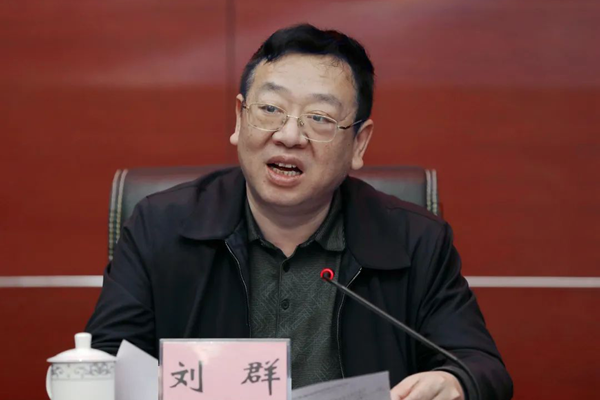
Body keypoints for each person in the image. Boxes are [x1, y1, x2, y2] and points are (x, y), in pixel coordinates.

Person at [86, 24, 513, 400]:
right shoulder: (159, 227)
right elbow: (105, 363)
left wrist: (455, 381)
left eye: (319, 118)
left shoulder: (415, 242)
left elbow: (480, 366)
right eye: (271, 109)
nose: (290, 136)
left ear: (359, 143)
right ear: (239, 118)